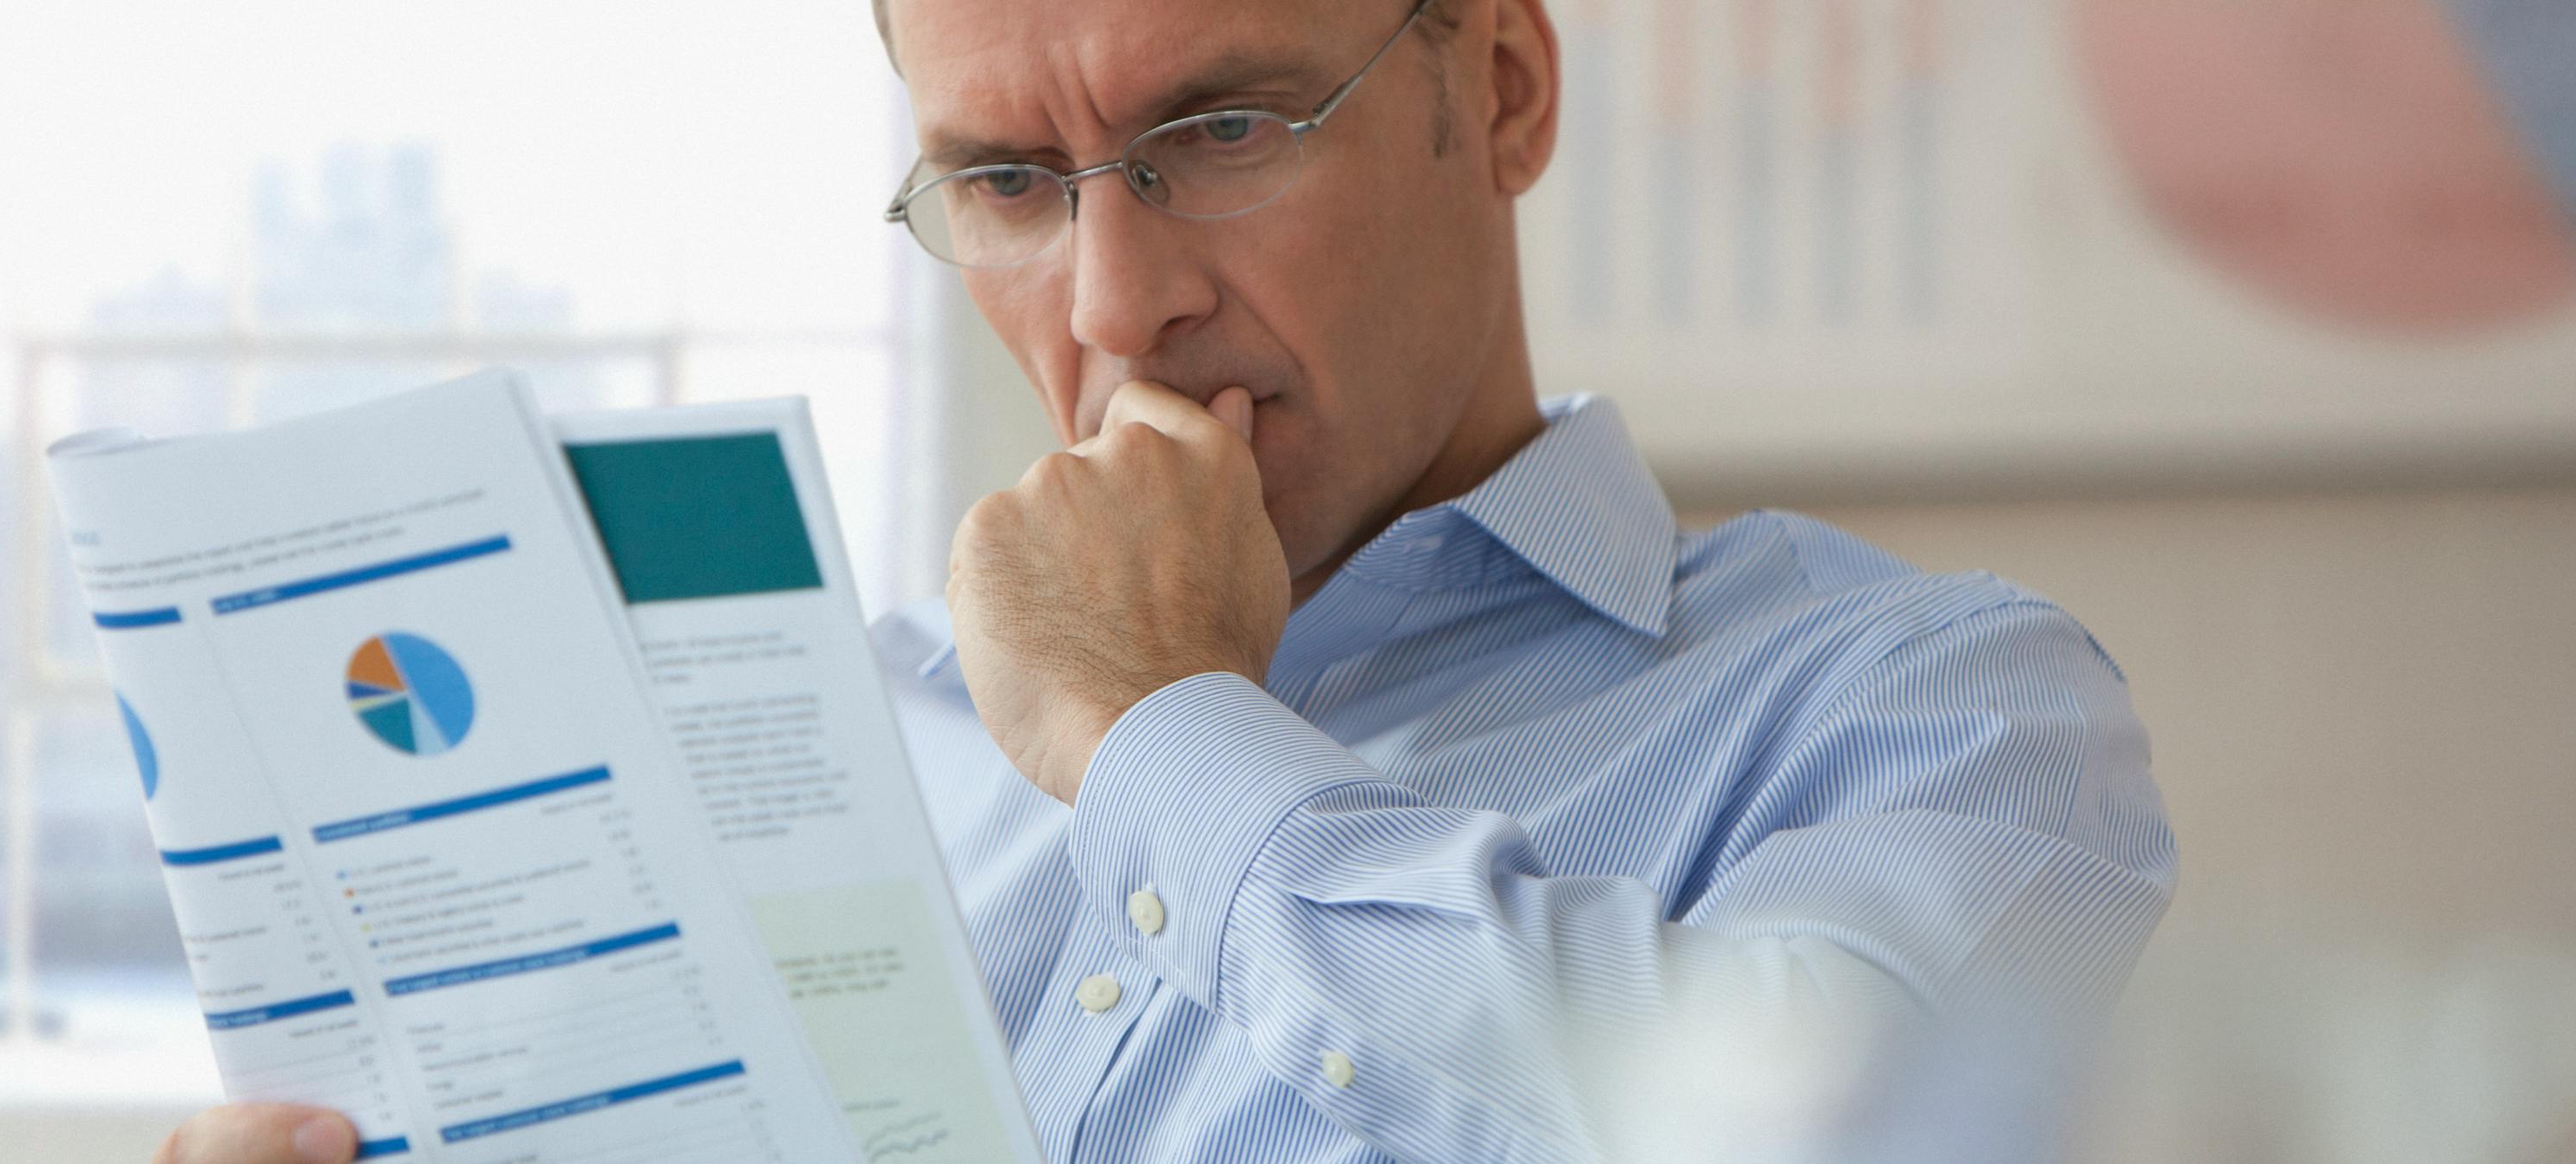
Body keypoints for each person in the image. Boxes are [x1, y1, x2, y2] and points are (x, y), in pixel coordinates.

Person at [158, 0, 2175, 1161]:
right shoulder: (799, 742)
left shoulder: (1940, 709)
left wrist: (1156, 731)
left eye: (1218, 127)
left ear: (1502, 90)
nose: (1117, 306)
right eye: (1011, 187)